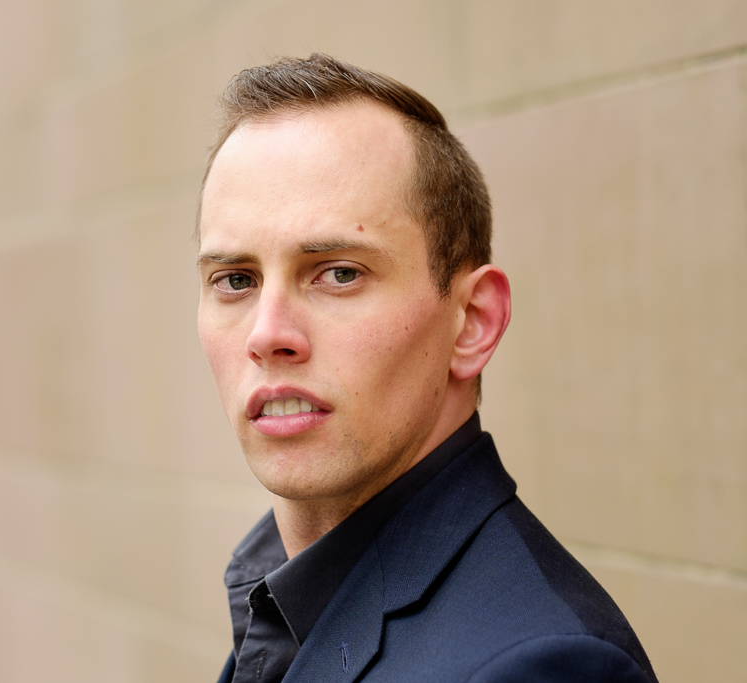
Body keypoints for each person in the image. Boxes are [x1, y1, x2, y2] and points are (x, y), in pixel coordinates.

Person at [195, 54, 657, 683]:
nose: (268, 334)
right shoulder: (285, 593)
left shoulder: (540, 667)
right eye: (235, 279)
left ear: (472, 323)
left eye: (339, 274)